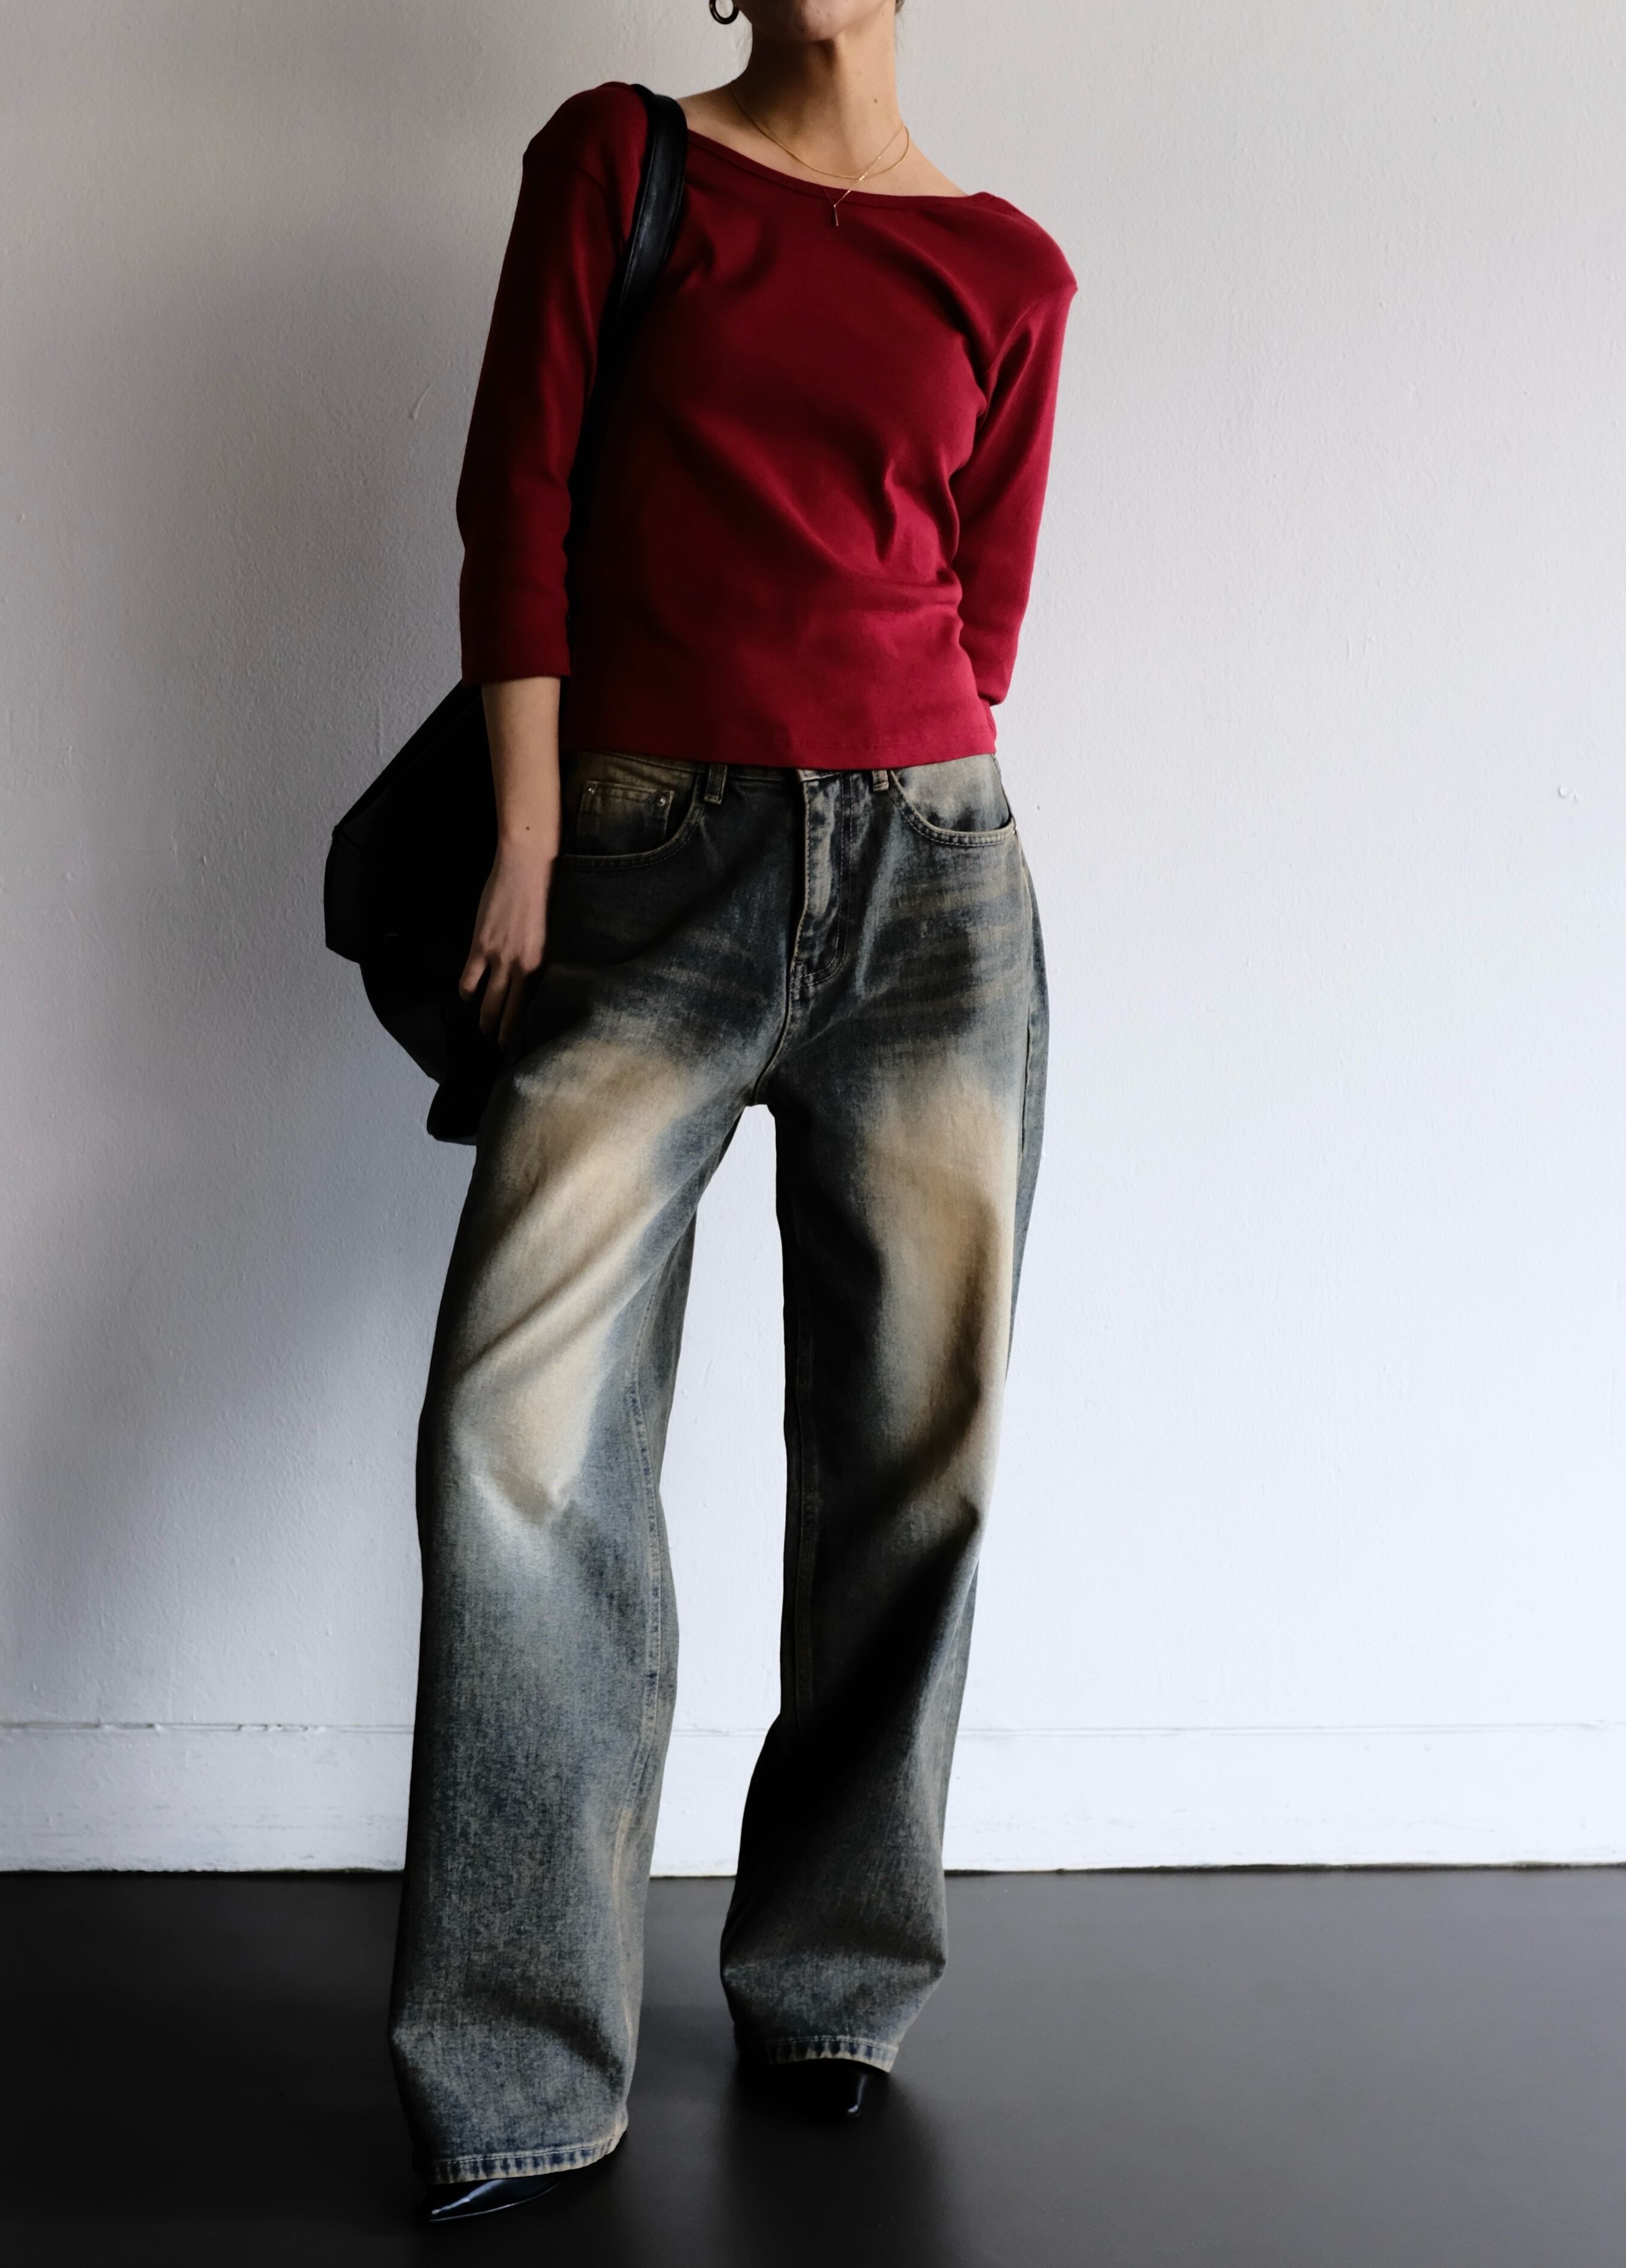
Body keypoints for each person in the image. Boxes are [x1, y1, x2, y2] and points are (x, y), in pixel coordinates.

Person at [388, 0, 1076, 2224]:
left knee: (913, 1449)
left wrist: (893, 791)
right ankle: (518, 2062)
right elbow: (519, 497)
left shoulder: (1011, 268)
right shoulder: (620, 160)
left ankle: (835, 1980)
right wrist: (526, 831)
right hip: (642, 854)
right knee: (518, 1440)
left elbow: (982, 611)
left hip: (937, 883)